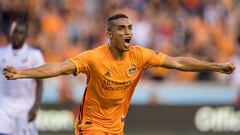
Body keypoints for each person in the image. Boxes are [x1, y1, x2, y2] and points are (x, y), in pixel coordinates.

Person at [3, 14, 235, 135]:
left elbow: (177, 63)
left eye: (130, 28)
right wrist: (23, 72)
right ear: (109, 34)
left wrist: (215, 67)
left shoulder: (140, 55)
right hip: (90, 125)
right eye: (122, 28)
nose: (128, 32)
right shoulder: (93, 57)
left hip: (116, 128)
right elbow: (57, 67)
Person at [0, 20, 44, 135]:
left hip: (25, 109)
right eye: (15, 32)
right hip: (4, 108)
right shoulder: (2, 53)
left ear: (25, 35)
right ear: (11, 33)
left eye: (20, 33)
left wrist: (35, 107)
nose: (17, 36)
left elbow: (40, 83)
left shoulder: (34, 55)